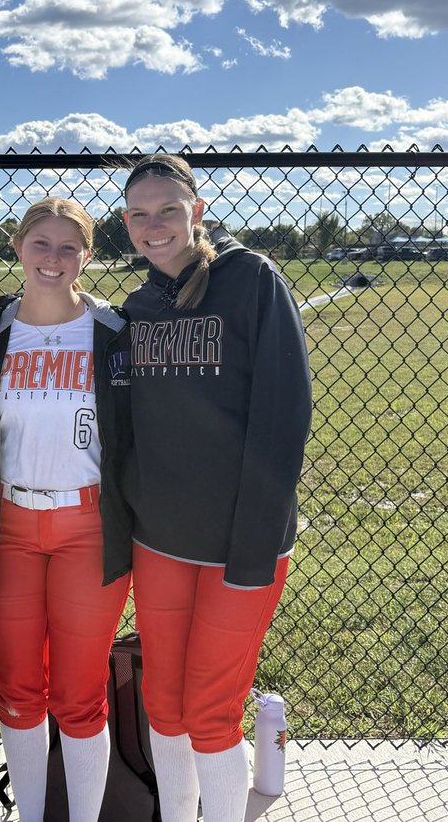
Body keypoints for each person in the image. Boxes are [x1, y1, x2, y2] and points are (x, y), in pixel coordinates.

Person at [119, 154, 312, 822]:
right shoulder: (139, 305)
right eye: (141, 214)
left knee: (209, 711)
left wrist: (254, 546)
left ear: (196, 211)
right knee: (163, 706)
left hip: (241, 545)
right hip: (162, 540)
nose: (155, 225)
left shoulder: (251, 278)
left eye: (169, 209)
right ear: (126, 224)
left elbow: (285, 415)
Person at [0, 197, 133, 822]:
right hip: (9, 525)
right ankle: (30, 812)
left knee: (80, 693)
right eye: (42, 244)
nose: (54, 259)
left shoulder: (115, 334)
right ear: (18, 248)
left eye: (69, 247)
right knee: (16, 688)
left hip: (86, 526)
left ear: (88, 255)